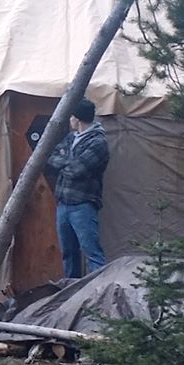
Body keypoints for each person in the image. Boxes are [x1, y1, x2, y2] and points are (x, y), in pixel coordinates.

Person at [45, 98, 109, 280]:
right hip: (63, 204)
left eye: (71, 116)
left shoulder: (98, 143)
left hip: (83, 205)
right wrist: (67, 162)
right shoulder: (70, 138)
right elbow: (50, 158)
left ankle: (100, 292)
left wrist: (64, 162)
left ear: (76, 118)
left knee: (92, 253)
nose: (69, 120)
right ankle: (71, 293)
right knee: (68, 254)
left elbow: (76, 170)